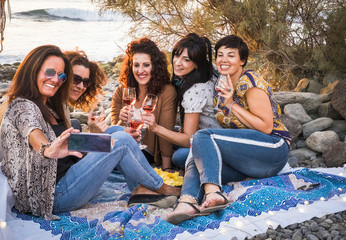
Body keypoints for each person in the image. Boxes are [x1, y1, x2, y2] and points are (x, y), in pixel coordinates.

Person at [0, 45, 180, 221]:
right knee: (121, 140)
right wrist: (47, 149)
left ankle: (140, 189)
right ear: (32, 70)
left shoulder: (48, 106)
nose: (55, 80)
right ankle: (161, 187)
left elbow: (71, 145)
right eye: (49, 72)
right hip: (55, 195)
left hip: (67, 176)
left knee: (116, 131)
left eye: (61, 76)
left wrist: (105, 136)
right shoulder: (22, 106)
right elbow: (34, 133)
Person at [167, 35, 291, 224]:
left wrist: (231, 104)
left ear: (242, 60)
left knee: (201, 137)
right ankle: (188, 201)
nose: (224, 60)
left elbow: (266, 127)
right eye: (220, 55)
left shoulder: (249, 82)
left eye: (231, 55)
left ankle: (214, 191)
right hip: (249, 160)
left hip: (273, 149)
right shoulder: (221, 85)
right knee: (195, 156)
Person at [142, 33, 221, 171]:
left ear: (196, 64)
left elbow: (188, 140)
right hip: (206, 133)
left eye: (186, 60)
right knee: (161, 137)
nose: (178, 63)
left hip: (213, 143)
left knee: (177, 156)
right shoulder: (209, 70)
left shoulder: (195, 90)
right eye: (177, 56)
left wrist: (155, 128)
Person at [111, 38, 176, 171]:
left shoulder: (166, 92)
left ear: (155, 66)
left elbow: (165, 130)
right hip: (120, 149)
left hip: (147, 153)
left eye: (146, 65)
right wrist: (121, 121)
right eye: (136, 65)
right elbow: (113, 133)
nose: (140, 71)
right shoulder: (121, 91)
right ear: (131, 66)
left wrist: (167, 168)